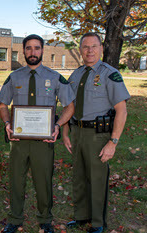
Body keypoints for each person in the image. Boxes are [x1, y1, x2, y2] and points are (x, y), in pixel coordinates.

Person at [0, 34, 75, 233]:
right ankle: (14, 219)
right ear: (23, 50)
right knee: (16, 180)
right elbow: (2, 104)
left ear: (43, 50)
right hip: (19, 140)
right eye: (29, 48)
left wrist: (57, 125)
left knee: (43, 181)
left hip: (44, 140)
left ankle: (45, 219)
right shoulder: (14, 77)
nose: (33, 52)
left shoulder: (55, 77)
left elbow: (70, 107)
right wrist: (7, 122)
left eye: (37, 48)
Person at [62, 32, 130, 233]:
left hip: (98, 136)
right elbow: (69, 106)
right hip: (77, 134)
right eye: (85, 47)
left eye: (94, 46)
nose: (89, 50)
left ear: (101, 48)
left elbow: (122, 110)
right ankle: (82, 217)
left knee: (97, 179)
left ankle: (99, 223)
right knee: (79, 177)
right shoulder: (75, 75)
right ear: (80, 50)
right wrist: (65, 132)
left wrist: (113, 142)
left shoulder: (110, 74)